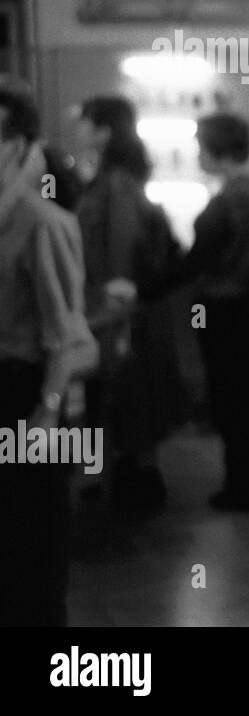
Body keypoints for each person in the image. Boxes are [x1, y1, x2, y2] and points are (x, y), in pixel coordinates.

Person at [0, 86, 98, 625]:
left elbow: (65, 335)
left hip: (30, 391)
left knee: (34, 535)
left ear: (17, 145)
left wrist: (48, 409)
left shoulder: (42, 222)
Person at [165, 113, 249, 511]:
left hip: (230, 307)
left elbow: (195, 262)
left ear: (219, 149)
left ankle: (241, 487)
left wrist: (145, 286)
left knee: (233, 395)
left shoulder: (231, 198)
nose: (197, 154)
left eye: (201, 146)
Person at [74, 95, 185, 514]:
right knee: (129, 393)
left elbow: (120, 259)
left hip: (119, 312)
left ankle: (136, 478)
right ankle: (129, 473)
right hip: (122, 309)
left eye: (85, 120)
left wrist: (110, 310)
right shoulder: (117, 179)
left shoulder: (115, 184)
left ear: (103, 131)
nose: (79, 127)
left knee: (129, 391)